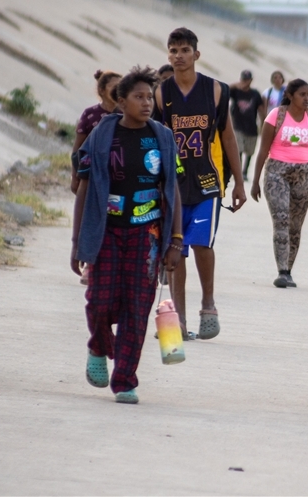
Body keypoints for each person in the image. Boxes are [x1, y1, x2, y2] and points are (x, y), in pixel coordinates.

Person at [70, 66, 183, 404]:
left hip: (146, 233)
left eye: (150, 97)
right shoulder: (101, 137)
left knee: (137, 307)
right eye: (139, 97)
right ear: (121, 101)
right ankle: (98, 346)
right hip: (106, 231)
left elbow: (172, 190)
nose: (147, 103)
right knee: (100, 303)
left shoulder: (162, 137)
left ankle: (125, 380)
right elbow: (84, 188)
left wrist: (175, 240)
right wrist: (78, 243)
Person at [155, 27, 246, 340]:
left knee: (202, 243)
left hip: (208, 180)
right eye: (173, 50)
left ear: (196, 54)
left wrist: (239, 183)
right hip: (174, 184)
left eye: (184, 50)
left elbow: (228, 135)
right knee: (176, 249)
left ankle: (208, 304)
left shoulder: (216, 90)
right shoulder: (160, 93)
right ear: (168, 54)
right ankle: (177, 319)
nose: (179, 56)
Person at [251, 78, 308, 288]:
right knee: (281, 219)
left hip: (304, 175)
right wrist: (255, 181)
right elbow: (263, 149)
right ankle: (281, 271)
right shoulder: (277, 115)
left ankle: (288, 270)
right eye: (302, 95)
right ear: (290, 95)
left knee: (295, 226)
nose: (307, 99)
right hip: (276, 173)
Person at [71, 70, 122, 195]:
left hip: (119, 176)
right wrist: (75, 177)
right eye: (113, 86)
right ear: (102, 91)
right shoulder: (90, 114)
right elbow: (77, 149)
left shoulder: (126, 115)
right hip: (92, 173)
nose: (117, 90)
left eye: (121, 87)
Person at [229, 69, 266, 181]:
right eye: (243, 79)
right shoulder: (235, 92)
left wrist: (263, 125)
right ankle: (239, 171)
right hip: (237, 126)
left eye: (247, 80)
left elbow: (261, 109)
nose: (245, 82)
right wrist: (236, 85)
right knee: (238, 148)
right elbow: (223, 91)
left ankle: (245, 171)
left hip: (251, 127)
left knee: (250, 151)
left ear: (251, 80)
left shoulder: (255, 94)